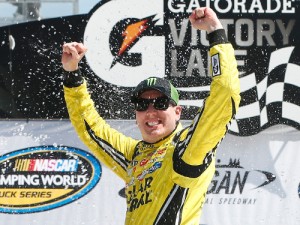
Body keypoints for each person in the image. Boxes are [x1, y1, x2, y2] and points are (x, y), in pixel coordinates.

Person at [61, 7, 240, 225]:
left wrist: (215, 32)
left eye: (161, 103)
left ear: (177, 112)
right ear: (135, 114)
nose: (151, 111)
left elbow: (225, 94)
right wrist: (72, 75)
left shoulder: (185, 150)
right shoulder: (133, 154)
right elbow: (90, 127)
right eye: (142, 104)